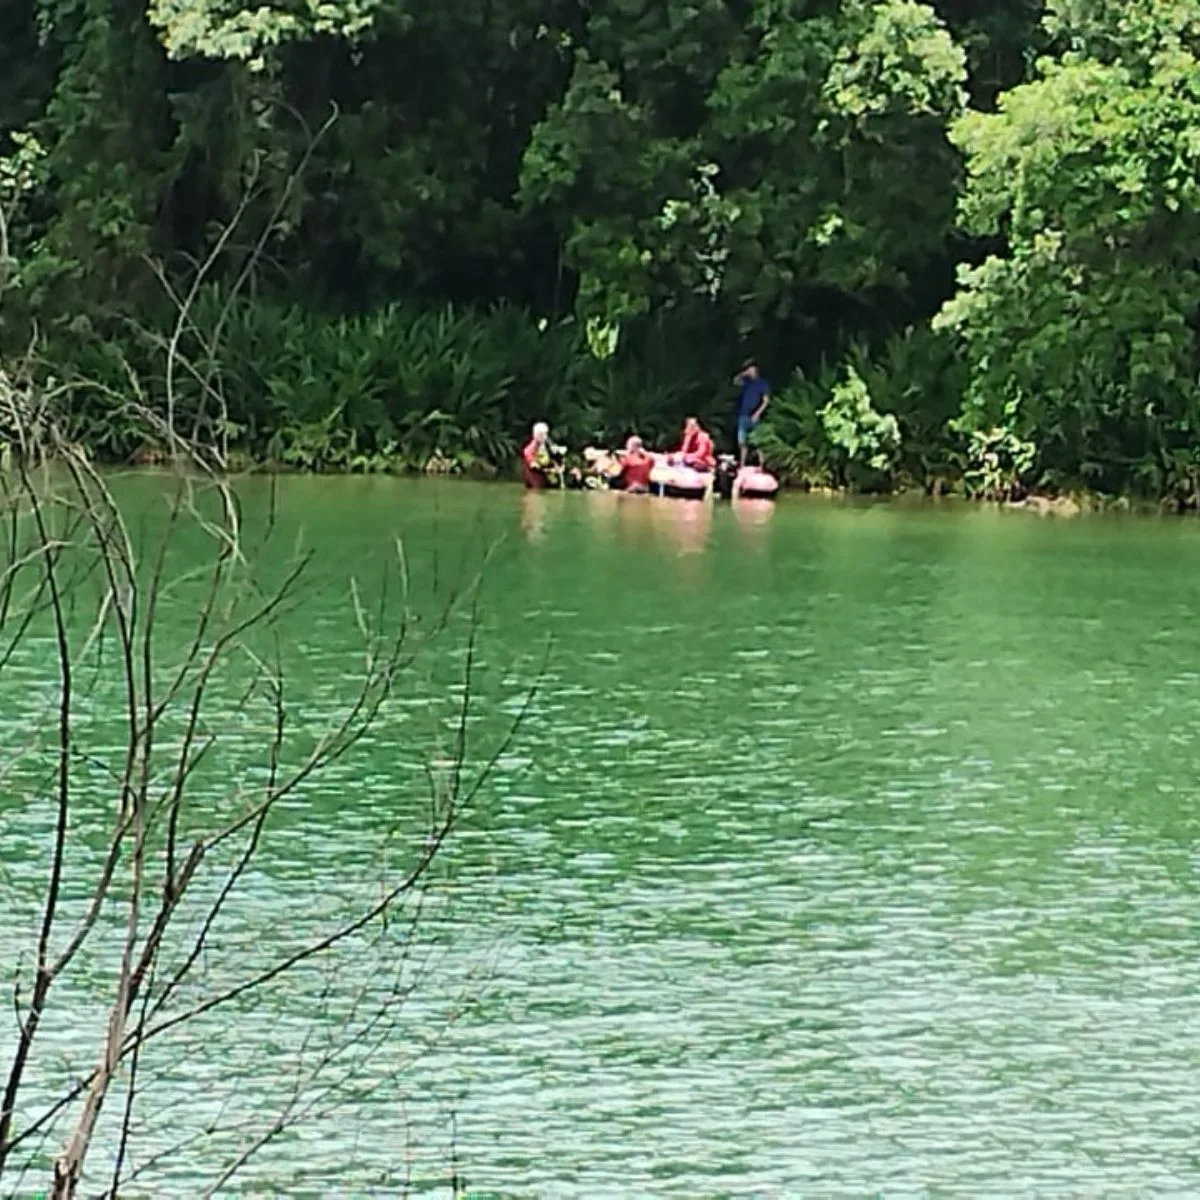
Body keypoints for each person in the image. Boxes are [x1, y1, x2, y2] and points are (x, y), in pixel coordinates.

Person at [733, 359, 771, 467]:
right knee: (742, 442)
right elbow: (735, 381)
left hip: (754, 415)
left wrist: (758, 413)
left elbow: (766, 401)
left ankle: (762, 465)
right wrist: (743, 374)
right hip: (743, 415)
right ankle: (742, 465)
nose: (750, 371)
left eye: (751, 369)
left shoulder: (762, 383)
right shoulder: (746, 382)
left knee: (757, 442)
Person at [521, 421, 560, 489]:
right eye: (542, 434)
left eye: (545, 434)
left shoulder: (545, 446)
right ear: (536, 435)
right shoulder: (530, 449)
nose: (545, 437)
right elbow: (534, 465)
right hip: (534, 481)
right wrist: (550, 470)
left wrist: (556, 466)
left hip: (544, 479)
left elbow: (551, 459)